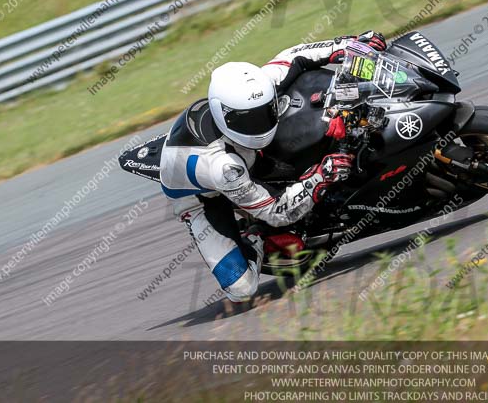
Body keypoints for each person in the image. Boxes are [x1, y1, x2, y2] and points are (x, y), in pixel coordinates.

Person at [158, 31, 387, 302]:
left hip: (244, 155)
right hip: (202, 196)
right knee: (242, 288)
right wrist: (321, 176)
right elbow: (277, 211)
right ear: (226, 117)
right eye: (250, 120)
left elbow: (296, 54)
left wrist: (347, 44)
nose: (260, 124)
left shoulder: (252, 91)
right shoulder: (224, 167)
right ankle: (254, 234)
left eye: (265, 112)